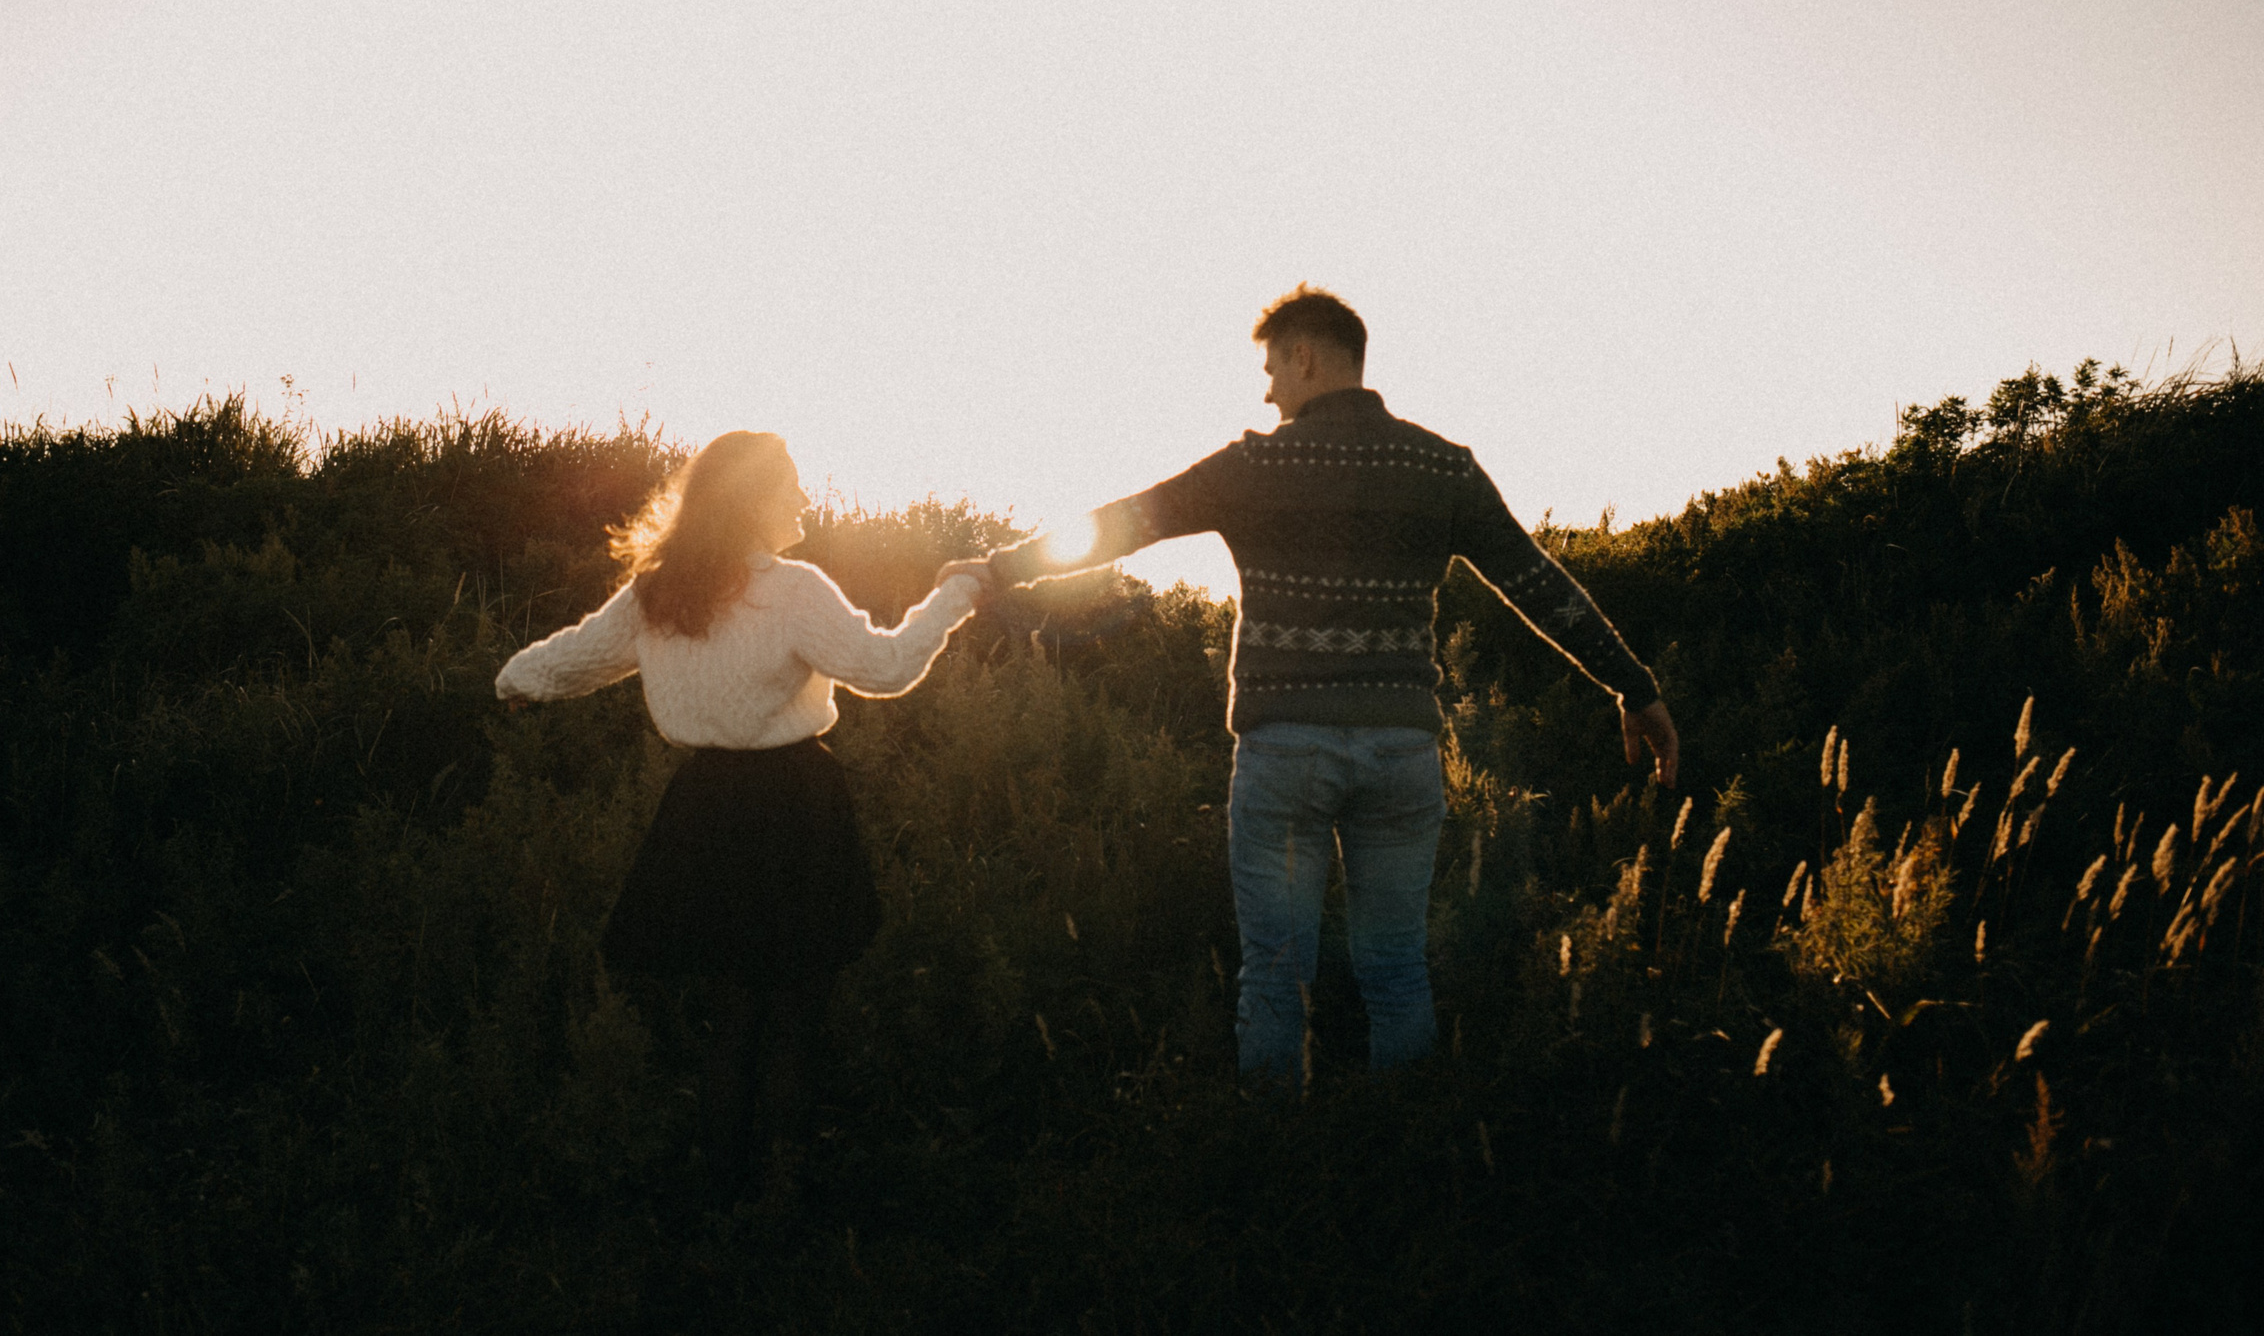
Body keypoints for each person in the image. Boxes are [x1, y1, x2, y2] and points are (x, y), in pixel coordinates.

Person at [985, 286, 1678, 1086]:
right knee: (1396, 971)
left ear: (1306, 355)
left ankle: (1277, 1172)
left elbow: (1118, 525)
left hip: (1286, 751)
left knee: (1275, 978)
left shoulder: (1254, 465)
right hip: (1401, 754)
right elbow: (1537, 584)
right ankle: (1400, 1161)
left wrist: (999, 570)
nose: (1268, 389)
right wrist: (1633, 687)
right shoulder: (1441, 467)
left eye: (1273, 366)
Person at [495, 430, 989, 1195]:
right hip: (794, 809)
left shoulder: (661, 590)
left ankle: (721, 1195)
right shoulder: (791, 588)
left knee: (733, 1015)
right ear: (753, 498)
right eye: (789, 483)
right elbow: (884, 668)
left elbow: (575, 659)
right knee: (792, 1014)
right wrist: (958, 594)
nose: (802, 497)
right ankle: (780, 1203)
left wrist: (513, 679)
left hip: (705, 813)